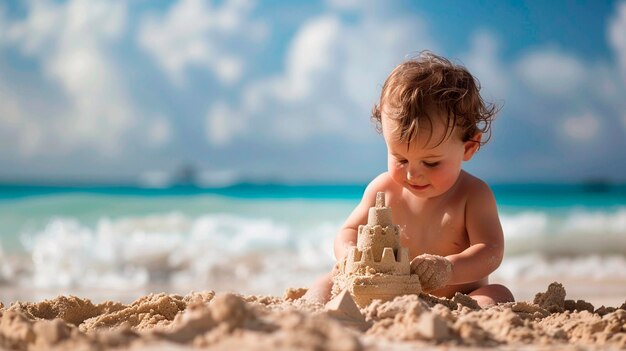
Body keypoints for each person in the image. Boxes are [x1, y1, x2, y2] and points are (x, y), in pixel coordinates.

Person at [305, 52, 514, 307]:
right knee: (326, 281)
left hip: (459, 299)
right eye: (400, 159)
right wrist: (349, 255)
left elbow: (491, 250)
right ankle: (312, 313)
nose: (413, 174)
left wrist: (448, 268)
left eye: (431, 162)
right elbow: (348, 231)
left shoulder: (473, 195)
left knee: (498, 294)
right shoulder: (383, 190)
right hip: (387, 295)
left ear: (469, 148)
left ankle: (474, 322)